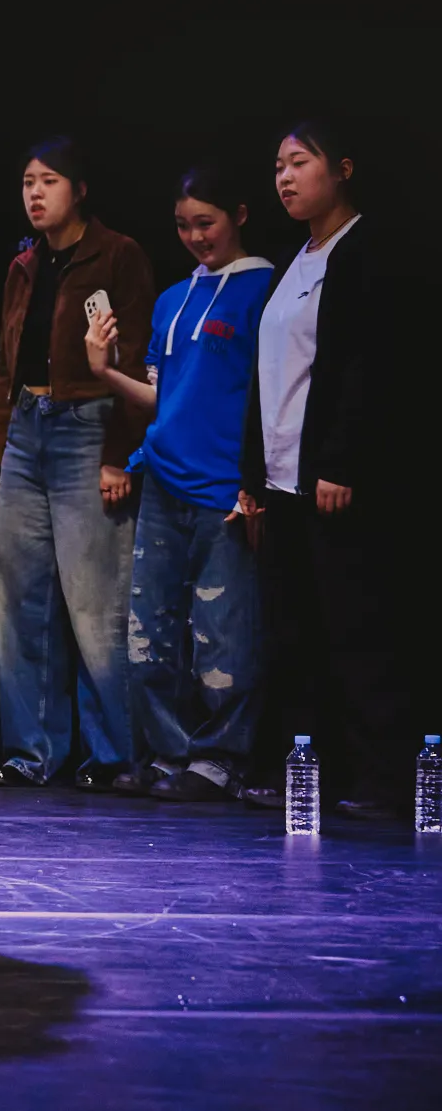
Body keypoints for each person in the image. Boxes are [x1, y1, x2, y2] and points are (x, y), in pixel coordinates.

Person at [84, 169, 273, 800]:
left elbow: (269, 394)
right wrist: (105, 371)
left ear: (238, 215)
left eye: (206, 223)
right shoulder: (172, 299)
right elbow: (162, 396)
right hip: (163, 479)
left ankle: (220, 759)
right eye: (183, 225)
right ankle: (169, 753)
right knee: (150, 634)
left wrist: (256, 482)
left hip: (224, 488)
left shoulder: (264, 289)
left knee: (223, 632)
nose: (195, 236)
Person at [237, 121, 406, 817]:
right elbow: (269, 373)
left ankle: (382, 779)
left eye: (300, 162)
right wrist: (252, 476)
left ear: (342, 169)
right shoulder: (292, 262)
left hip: (330, 481)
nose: (285, 177)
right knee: (293, 636)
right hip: (281, 482)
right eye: (278, 165)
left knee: (353, 632)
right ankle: (310, 774)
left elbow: (367, 368)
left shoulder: (364, 250)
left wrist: (340, 460)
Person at [0, 137, 155, 791]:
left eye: (48, 180)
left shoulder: (118, 255)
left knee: (95, 597)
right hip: (27, 428)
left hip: (89, 427)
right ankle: (32, 752)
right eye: (28, 181)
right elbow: (4, 362)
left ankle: (112, 756)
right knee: (15, 593)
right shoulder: (24, 265)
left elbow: (134, 357)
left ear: (79, 190)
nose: (35, 192)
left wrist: (118, 454)